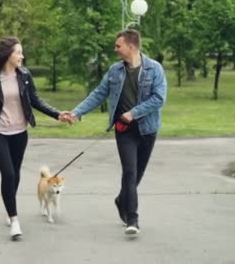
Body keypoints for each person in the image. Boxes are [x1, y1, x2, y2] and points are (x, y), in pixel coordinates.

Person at [0, 36, 69, 240]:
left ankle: (9, 205)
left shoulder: (24, 75)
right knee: (7, 173)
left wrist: (58, 114)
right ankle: (14, 219)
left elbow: (35, 100)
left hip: (19, 133)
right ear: (8, 54)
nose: (22, 56)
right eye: (18, 52)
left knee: (15, 174)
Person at [64, 29, 166, 236]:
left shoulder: (154, 69)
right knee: (129, 171)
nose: (115, 49)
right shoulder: (115, 71)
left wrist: (134, 113)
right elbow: (98, 94)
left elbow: (159, 98)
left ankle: (122, 199)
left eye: (118, 46)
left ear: (131, 46)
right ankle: (133, 218)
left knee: (138, 173)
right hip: (124, 130)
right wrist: (77, 112)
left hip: (147, 129)